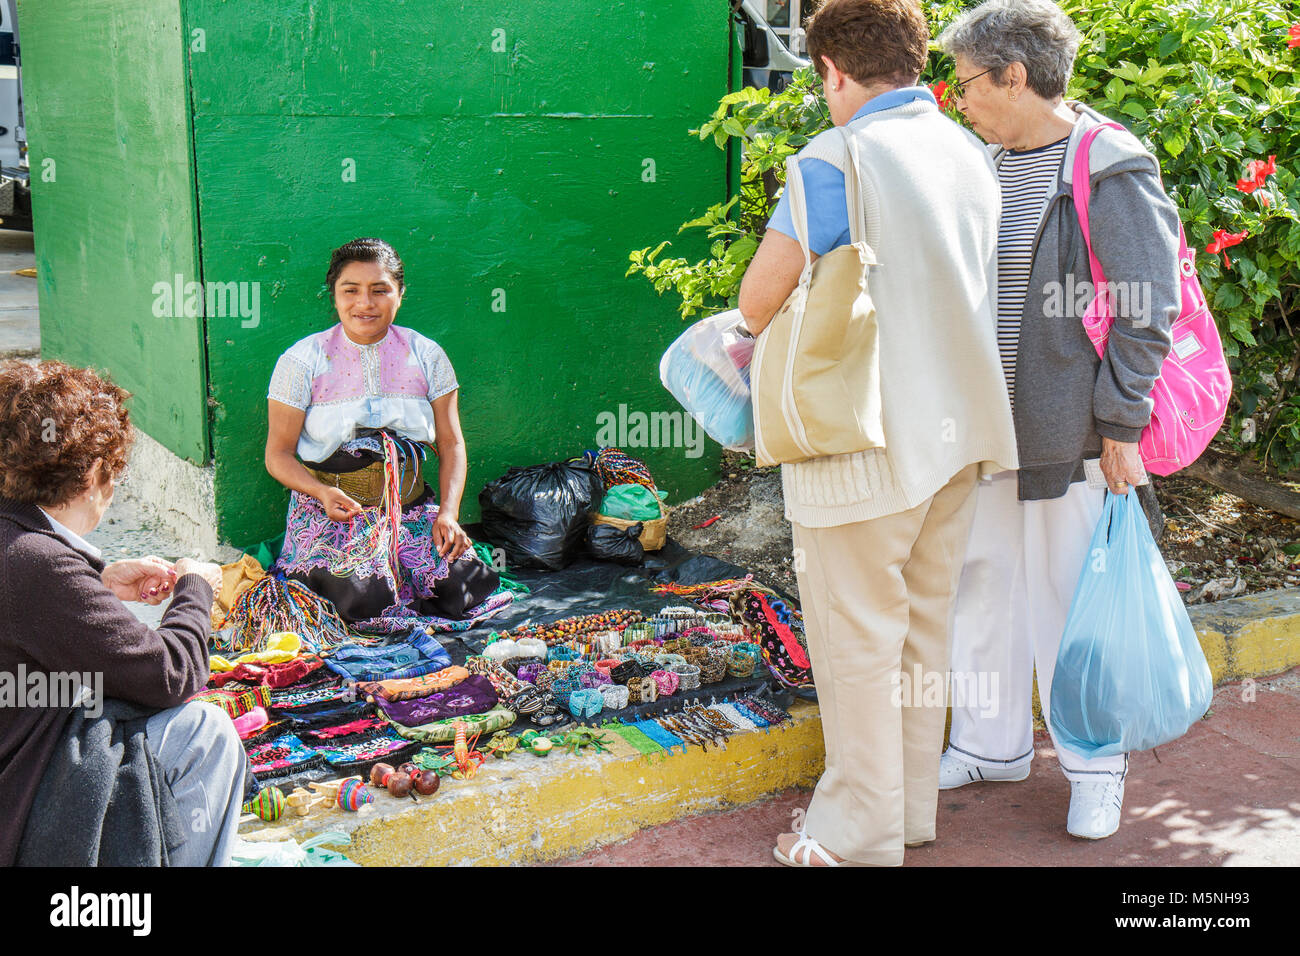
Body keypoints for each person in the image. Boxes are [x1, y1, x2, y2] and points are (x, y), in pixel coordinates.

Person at [738, 0, 1018, 866]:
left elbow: (756, 301)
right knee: (921, 629)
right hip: (958, 433)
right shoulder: (972, 152)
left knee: (855, 640)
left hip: (860, 442)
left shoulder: (836, 159)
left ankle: (856, 835)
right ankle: (907, 813)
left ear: (830, 70)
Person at [937, 0, 1179, 839]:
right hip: (980, 430)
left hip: (1069, 436)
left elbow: (1149, 308)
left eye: (967, 81)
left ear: (1014, 75)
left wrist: (1119, 424)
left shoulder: (1109, 165)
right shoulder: (978, 161)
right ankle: (988, 743)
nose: (957, 97)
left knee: (1070, 600)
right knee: (982, 588)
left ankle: (1095, 764)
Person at [0, 360, 244, 866]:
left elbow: (37, 617)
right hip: (21, 801)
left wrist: (98, 579)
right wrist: (196, 589)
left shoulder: (23, 548)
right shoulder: (36, 565)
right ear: (94, 476)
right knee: (205, 733)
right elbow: (169, 673)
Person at [266, 237, 509, 635]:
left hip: (413, 512)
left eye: (380, 290)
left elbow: (451, 443)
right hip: (338, 518)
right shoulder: (301, 361)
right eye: (351, 290)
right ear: (334, 295)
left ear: (400, 294)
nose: (365, 303)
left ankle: (413, 562)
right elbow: (278, 455)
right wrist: (322, 493)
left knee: (468, 589)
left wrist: (448, 513)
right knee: (367, 601)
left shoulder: (426, 354)